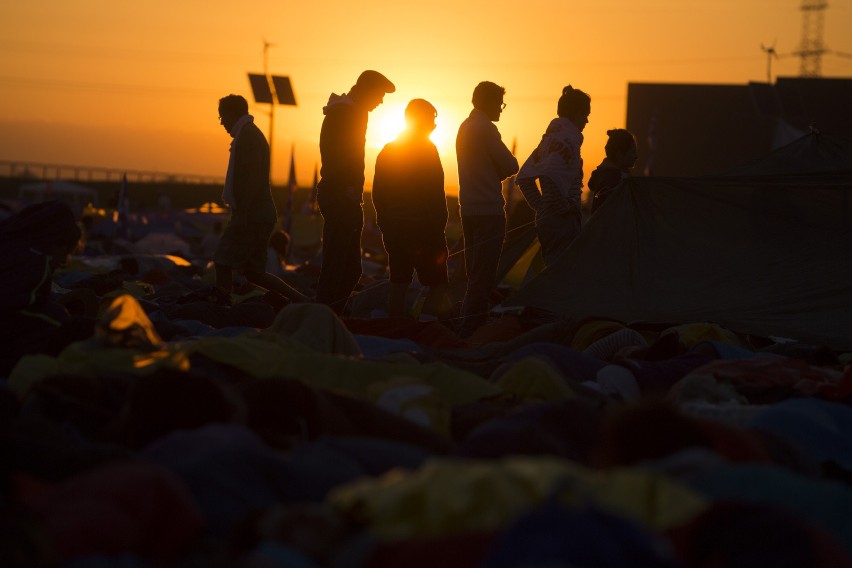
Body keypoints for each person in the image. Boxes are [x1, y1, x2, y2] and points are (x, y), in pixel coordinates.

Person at [213, 94, 307, 305]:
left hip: (252, 214)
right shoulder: (248, 135)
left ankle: (221, 307)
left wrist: (242, 213)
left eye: (222, 117)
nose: (221, 123)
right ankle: (304, 302)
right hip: (258, 213)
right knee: (255, 273)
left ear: (233, 113)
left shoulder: (247, 138)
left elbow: (251, 179)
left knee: (223, 260)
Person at [315, 70, 396, 315]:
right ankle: (325, 313)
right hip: (342, 195)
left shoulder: (348, 112)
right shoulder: (347, 114)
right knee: (338, 261)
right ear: (367, 90)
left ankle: (331, 312)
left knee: (348, 267)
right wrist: (349, 190)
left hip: (343, 194)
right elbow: (342, 156)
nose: (380, 101)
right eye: (379, 95)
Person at [372, 99, 452, 319]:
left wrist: (385, 225)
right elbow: (434, 193)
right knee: (438, 284)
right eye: (431, 120)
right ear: (422, 120)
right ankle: (425, 331)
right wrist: (438, 228)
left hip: (395, 231)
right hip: (425, 230)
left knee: (398, 283)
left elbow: (378, 194)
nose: (434, 125)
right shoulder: (427, 150)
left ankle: (394, 328)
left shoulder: (387, 151)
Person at [456, 81, 519, 337]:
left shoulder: (464, 127)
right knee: (482, 278)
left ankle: (466, 326)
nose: (501, 110)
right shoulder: (486, 128)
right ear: (489, 102)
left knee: (473, 275)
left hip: (468, 210)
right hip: (488, 211)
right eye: (500, 104)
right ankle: (470, 332)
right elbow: (511, 165)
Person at [516, 85, 591, 267]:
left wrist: (542, 208)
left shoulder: (549, 139)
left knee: (552, 271)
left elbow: (525, 177)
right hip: (562, 223)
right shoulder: (567, 140)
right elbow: (551, 175)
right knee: (562, 277)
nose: (587, 121)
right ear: (576, 114)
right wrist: (562, 210)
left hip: (549, 221)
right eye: (585, 115)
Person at [589, 128, 638, 214]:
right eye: (633, 152)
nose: (636, 156)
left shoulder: (610, 176)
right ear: (619, 154)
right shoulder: (612, 180)